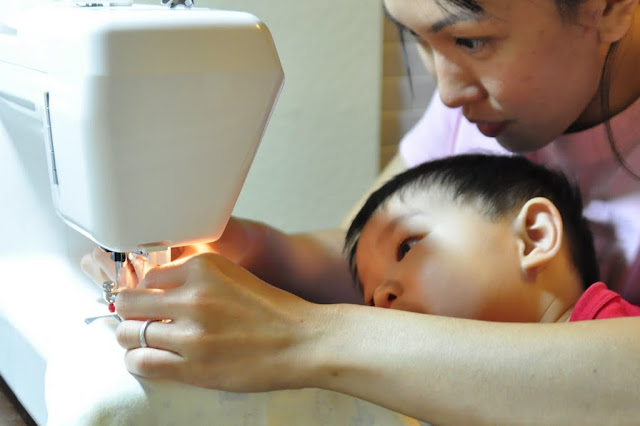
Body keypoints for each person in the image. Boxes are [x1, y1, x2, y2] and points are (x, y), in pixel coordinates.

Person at [82, 0, 640, 423]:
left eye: (471, 41)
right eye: (417, 39)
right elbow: (369, 252)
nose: (446, 94)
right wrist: (253, 248)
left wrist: (304, 339)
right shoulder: (479, 111)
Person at [345, 153, 640, 322]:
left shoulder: (617, 334)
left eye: (407, 247)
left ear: (534, 237)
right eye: (370, 301)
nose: (381, 296)